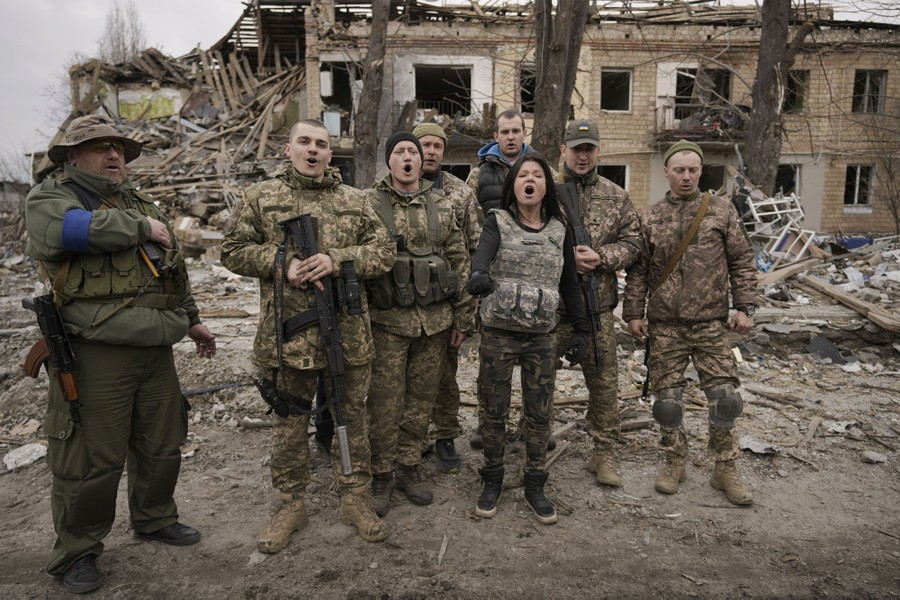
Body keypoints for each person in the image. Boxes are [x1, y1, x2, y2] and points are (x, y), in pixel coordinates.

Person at [24, 114, 217, 594]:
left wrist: (192, 319)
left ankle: (154, 518)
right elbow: (69, 232)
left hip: (156, 346)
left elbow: (173, 273)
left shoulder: (140, 202)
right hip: (96, 351)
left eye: (118, 148)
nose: (113, 155)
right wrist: (141, 226)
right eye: (100, 147)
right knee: (92, 458)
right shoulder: (52, 198)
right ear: (73, 156)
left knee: (162, 443)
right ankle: (77, 551)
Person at [221, 119, 395, 551]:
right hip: (287, 337)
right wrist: (282, 263)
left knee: (351, 417)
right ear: (289, 149)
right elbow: (232, 250)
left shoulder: (355, 200)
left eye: (321, 144)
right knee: (289, 423)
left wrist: (337, 259)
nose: (313, 150)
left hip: (347, 335)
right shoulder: (260, 197)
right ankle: (290, 504)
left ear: (330, 154)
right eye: (304, 142)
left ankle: (354, 497)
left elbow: (384, 251)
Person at [623, 139, 757, 506]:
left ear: (701, 172)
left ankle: (724, 468)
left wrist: (745, 307)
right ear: (666, 172)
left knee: (726, 400)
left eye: (693, 170)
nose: (686, 176)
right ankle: (674, 461)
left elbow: (742, 260)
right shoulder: (650, 217)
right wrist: (633, 313)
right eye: (679, 170)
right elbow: (638, 271)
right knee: (667, 404)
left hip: (711, 323)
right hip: (665, 325)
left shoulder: (721, 211)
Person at [466, 152, 589, 525]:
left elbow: (569, 284)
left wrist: (582, 330)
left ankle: (535, 483)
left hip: (541, 338)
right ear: (513, 185)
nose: (529, 180)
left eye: (537, 175)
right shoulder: (497, 221)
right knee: (494, 411)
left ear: (546, 186)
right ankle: (492, 478)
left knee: (539, 413)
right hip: (499, 335)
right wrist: (478, 275)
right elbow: (481, 258)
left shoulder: (559, 230)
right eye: (522, 175)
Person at [364, 131, 474, 517]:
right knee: (384, 402)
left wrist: (464, 316)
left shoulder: (441, 204)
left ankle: (409, 466)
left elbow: (459, 260)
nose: (408, 157)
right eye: (400, 152)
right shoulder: (368, 204)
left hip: (435, 323)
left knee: (421, 400)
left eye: (413, 151)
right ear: (390, 161)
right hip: (386, 323)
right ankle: (382, 474)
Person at [555, 119, 642, 487]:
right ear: (564, 150)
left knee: (604, 384)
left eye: (589, 149)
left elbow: (634, 244)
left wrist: (601, 257)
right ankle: (534, 444)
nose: (583, 155)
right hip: (552, 308)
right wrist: (563, 259)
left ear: (598, 151)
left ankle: (604, 452)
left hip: (596, 308)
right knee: (538, 381)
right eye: (577, 149)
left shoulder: (616, 195)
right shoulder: (544, 189)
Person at [412, 122, 481, 474]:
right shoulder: (393, 188)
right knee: (406, 377)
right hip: (405, 301)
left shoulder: (460, 193)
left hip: (445, 300)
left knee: (445, 375)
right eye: (425, 144)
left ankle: (445, 435)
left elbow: (473, 250)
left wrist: (466, 312)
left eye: (438, 146)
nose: (431, 151)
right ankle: (412, 437)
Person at [465, 109, 535, 449]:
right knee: (492, 358)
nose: (510, 137)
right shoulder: (479, 173)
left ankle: (531, 426)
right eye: (504, 131)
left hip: (533, 276)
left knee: (535, 357)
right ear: (496, 135)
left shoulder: (539, 169)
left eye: (515, 131)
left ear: (524, 133)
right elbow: (467, 215)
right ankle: (488, 424)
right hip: (494, 277)